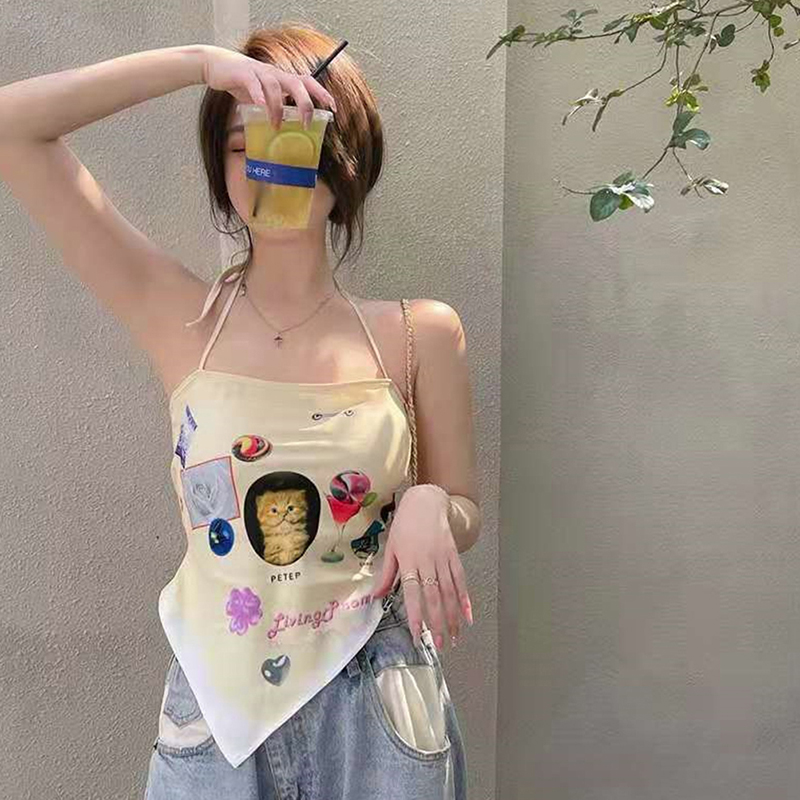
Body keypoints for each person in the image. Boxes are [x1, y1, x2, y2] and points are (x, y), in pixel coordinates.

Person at [0, 22, 482, 800]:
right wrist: (199, 64)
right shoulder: (177, 318)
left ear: (343, 156)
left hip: (380, 708)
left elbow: (462, 507)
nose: (272, 161)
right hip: (216, 716)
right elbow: (11, 126)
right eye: (244, 141)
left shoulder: (419, 334)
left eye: (298, 134)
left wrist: (434, 504)